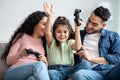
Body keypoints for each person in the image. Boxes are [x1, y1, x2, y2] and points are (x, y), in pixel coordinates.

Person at [70, 6, 120, 80]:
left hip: (109, 70)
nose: (89, 26)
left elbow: (117, 57)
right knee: (79, 75)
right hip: (90, 72)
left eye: (94, 24)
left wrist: (91, 58)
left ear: (103, 25)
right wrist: (76, 28)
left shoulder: (113, 36)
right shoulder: (79, 35)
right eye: (89, 20)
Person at [44, 3, 91, 80]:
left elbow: (78, 47)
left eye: (65, 32)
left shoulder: (70, 42)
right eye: (59, 32)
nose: (62, 34)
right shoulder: (51, 42)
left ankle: (71, 78)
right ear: (54, 33)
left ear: (69, 33)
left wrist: (77, 27)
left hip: (70, 70)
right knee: (50, 74)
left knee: (86, 64)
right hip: (55, 70)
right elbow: (47, 32)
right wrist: (49, 16)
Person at [1, 11, 50, 80]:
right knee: (39, 65)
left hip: (33, 73)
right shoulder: (22, 36)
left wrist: (45, 62)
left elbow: (43, 71)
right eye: (44, 24)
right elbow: (8, 61)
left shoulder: (45, 42)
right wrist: (20, 54)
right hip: (14, 72)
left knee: (32, 78)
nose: (46, 28)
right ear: (35, 23)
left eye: (48, 25)